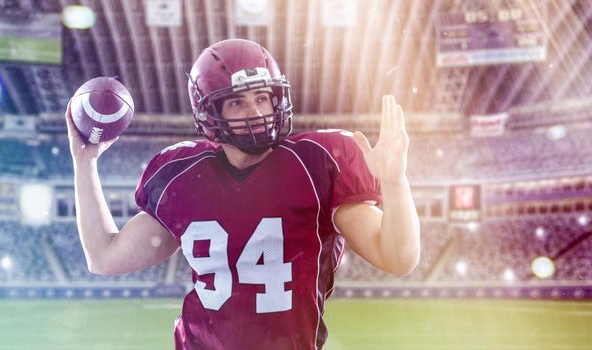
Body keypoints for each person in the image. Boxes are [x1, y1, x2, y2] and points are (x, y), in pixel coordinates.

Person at [66, 38, 420, 350]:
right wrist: (85, 164)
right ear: (210, 112)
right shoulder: (182, 175)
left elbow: (398, 257)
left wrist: (395, 182)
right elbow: (104, 257)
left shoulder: (319, 163)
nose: (255, 112)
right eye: (236, 102)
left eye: (262, 98)